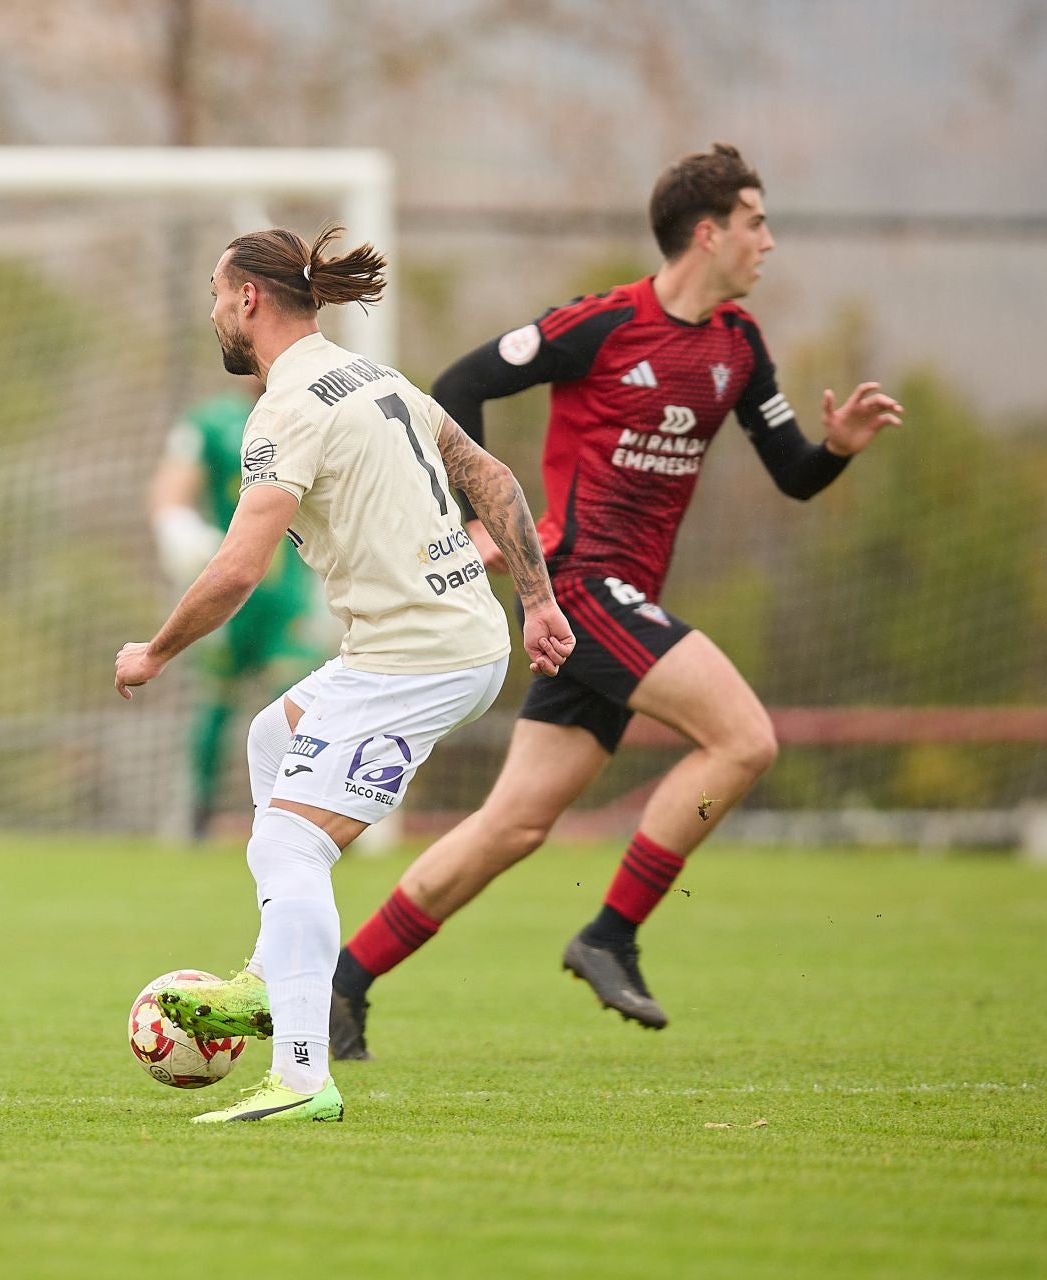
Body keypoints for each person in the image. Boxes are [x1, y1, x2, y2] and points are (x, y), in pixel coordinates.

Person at [329, 143, 903, 1058]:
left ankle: (343, 982)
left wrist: (836, 447)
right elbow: (462, 385)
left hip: (622, 603)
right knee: (745, 740)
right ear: (708, 232)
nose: (769, 241)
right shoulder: (601, 326)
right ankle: (611, 935)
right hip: (583, 586)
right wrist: (477, 519)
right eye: (756, 222)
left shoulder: (739, 347)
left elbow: (793, 476)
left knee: (512, 825)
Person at [114, 226, 573, 1123]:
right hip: (446, 640)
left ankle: (300, 1073)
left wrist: (157, 651)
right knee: (269, 736)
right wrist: (538, 603)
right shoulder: (376, 376)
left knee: (289, 843)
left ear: (249, 298)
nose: (212, 309)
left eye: (215, 292)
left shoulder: (285, 411)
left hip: (416, 659)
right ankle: (266, 980)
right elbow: (496, 478)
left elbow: (239, 568)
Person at [149, 381, 325, 840]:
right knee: (215, 704)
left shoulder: (312, 412)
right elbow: (171, 490)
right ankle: (198, 810)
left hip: (289, 593)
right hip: (229, 591)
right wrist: (177, 530)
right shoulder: (212, 421)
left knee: (298, 700)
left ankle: (300, 812)